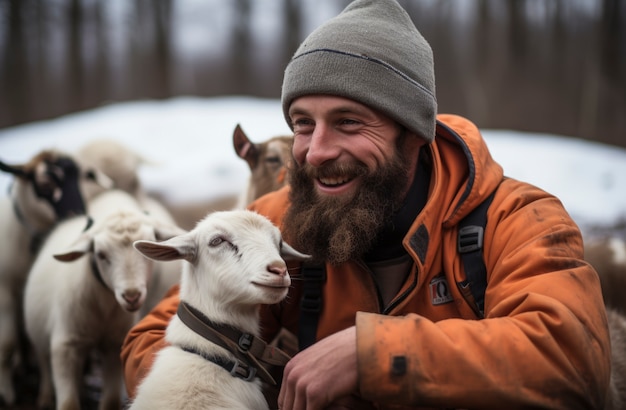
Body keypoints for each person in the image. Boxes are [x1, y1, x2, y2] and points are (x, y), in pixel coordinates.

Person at [121, 0, 611, 408]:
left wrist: (371, 356)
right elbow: (154, 341)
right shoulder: (272, 223)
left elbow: (573, 358)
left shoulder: (517, 219)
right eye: (302, 124)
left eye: (349, 123)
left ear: (414, 132)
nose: (316, 152)